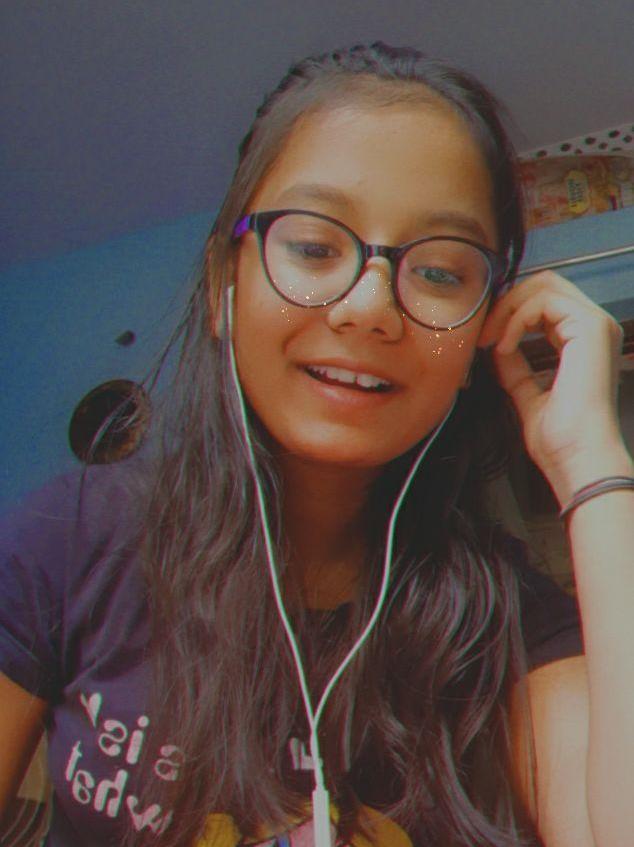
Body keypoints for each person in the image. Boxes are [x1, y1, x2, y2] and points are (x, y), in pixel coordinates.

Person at [1, 41, 633, 847]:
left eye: (441, 271)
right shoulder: (71, 536)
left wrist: (593, 468)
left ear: (482, 329)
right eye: (311, 247)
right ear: (223, 285)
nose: (369, 305)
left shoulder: (507, 616)